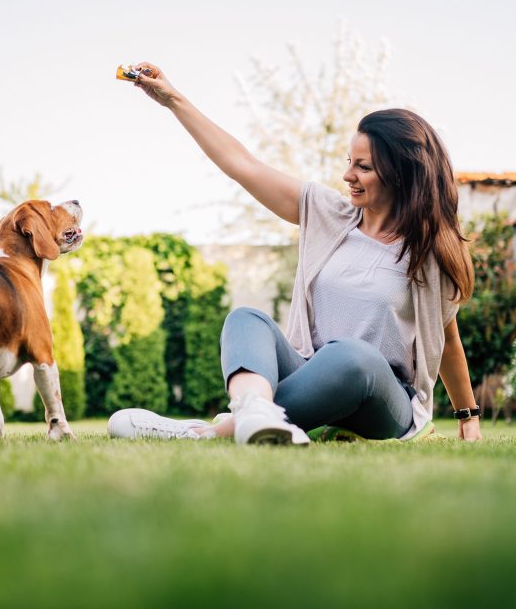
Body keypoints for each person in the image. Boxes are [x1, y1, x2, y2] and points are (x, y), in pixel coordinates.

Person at [107, 61, 482, 445]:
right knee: (246, 318)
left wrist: (468, 417)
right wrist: (173, 100)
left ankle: (214, 430)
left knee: (353, 357)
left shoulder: (430, 251)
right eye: (348, 162)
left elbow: (447, 339)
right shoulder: (328, 214)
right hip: (308, 377)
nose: (348, 175)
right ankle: (253, 412)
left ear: (401, 173)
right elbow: (242, 165)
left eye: (363, 167)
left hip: (384, 401)